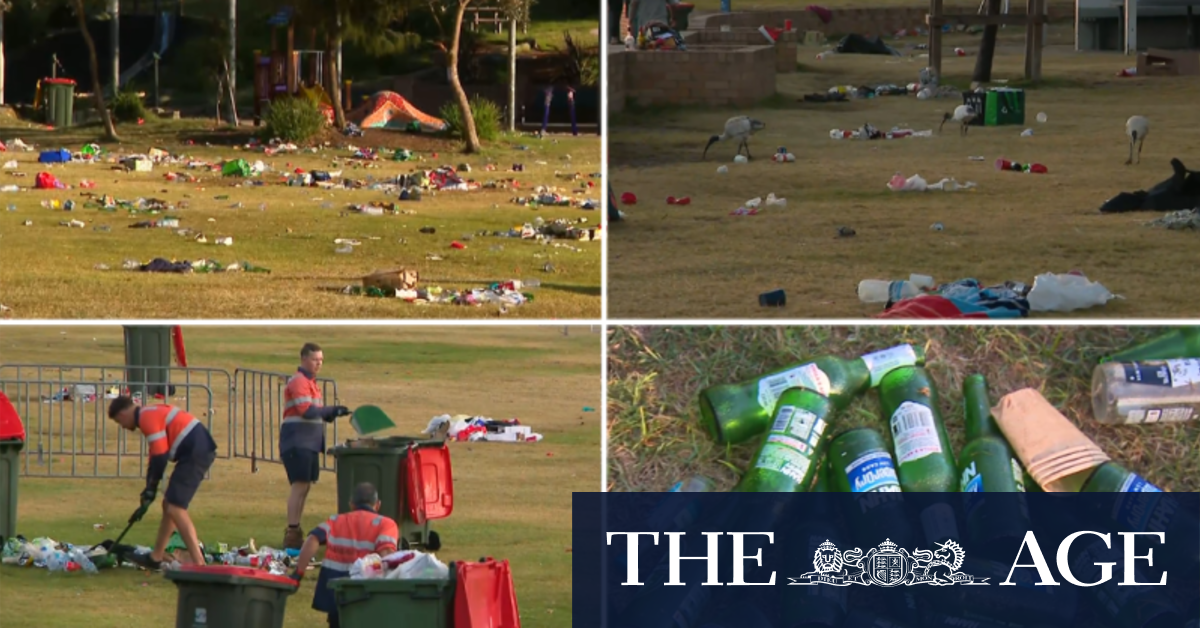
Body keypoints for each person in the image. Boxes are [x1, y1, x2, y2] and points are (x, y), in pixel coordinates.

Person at [108, 396, 217, 570]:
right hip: (195, 449)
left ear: (122, 414)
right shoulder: (148, 413)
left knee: (176, 507)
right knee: (168, 504)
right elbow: (155, 457)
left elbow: (160, 456)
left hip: (196, 451)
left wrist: (151, 487)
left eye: (119, 422)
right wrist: (149, 488)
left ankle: (199, 564)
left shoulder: (146, 418)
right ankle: (156, 556)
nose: (123, 427)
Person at [290, 483, 400, 628]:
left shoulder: (335, 521)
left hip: (336, 593)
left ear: (351, 504)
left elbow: (313, 539)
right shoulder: (386, 524)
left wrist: (298, 573)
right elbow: (386, 553)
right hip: (367, 593)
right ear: (377, 505)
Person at [281, 343, 350, 550]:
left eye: (321, 360)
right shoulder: (299, 382)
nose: (318, 364)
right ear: (303, 359)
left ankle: (295, 530)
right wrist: (330, 410)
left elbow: (316, 413)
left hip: (309, 442)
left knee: (305, 485)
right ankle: (292, 531)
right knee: (299, 485)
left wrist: (332, 413)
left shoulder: (311, 383)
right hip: (297, 441)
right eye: (314, 359)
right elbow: (306, 410)